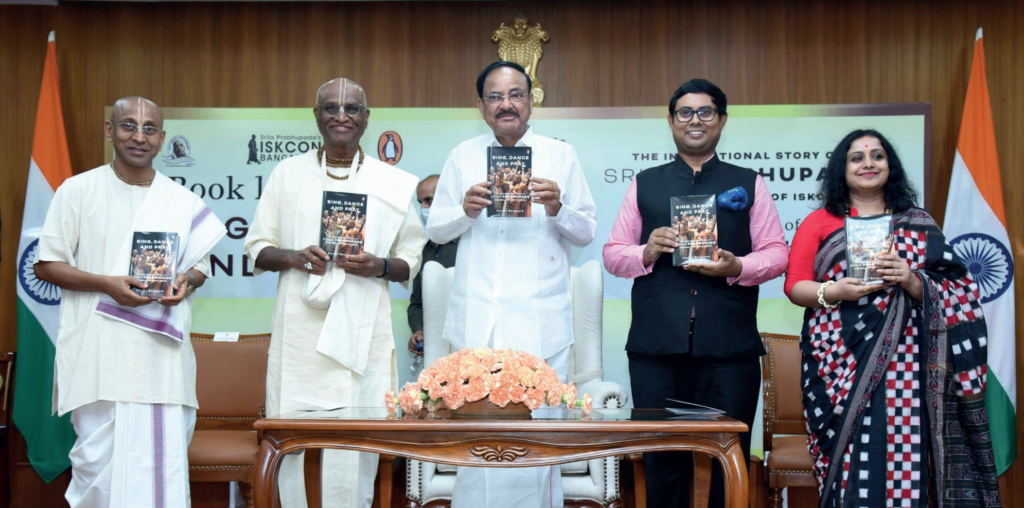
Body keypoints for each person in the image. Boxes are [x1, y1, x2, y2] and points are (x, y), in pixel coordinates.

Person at [784, 130, 1000, 507]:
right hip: (837, 365)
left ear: (890, 166)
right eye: (857, 157)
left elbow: (960, 291)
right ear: (842, 168)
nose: (868, 163)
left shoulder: (918, 224)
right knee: (847, 462)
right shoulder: (819, 222)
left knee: (903, 459)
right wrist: (834, 291)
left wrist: (912, 280)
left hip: (906, 368)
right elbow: (794, 285)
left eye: (877, 155)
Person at [602, 79, 788, 508]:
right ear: (670, 121)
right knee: (663, 460)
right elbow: (613, 254)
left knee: (730, 459)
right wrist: (646, 250)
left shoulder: (749, 183)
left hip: (729, 349)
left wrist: (738, 266)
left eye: (706, 112)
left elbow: (777, 252)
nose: (695, 120)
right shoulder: (644, 183)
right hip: (656, 350)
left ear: (722, 120)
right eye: (685, 112)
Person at [33, 96, 225, 508]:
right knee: (99, 471)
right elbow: (46, 266)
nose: (139, 136)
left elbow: (199, 269)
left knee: (164, 468)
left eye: (149, 129)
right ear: (110, 130)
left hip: (162, 362)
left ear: (162, 139)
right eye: (128, 126)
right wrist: (108, 284)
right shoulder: (77, 190)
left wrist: (185, 282)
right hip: (98, 356)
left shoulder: (180, 200)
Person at [244, 78, 425, 508]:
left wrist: (378, 265)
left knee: (355, 438)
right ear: (316, 115)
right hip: (300, 329)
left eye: (350, 108)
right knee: (290, 436)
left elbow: (410, 259)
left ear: (366, 117)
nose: (340, 116)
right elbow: (257, 248)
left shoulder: (393, 182)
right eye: (330, 108)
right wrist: (292, 257)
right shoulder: (287, 173)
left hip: (363, 327)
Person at [427, 61, 597, 508]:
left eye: (516, 95)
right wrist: (463, 210)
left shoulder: (561, 155)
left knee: (537, 444)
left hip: (541, 326)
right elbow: (436, 231)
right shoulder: (462, 156)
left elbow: (585, 233)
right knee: (477, 443)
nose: (507, 105)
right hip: (477, 323)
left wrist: (559, 207)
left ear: (531, 100)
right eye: (496, 97)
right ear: (481, 105)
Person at [406, 174, 458, 359]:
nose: (423, 208)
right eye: (421, 202)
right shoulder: (423, 251)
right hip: (435, 352)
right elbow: (417, 303)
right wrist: (418, 330)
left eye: (429, 200)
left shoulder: (469, 245)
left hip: (465, 346)